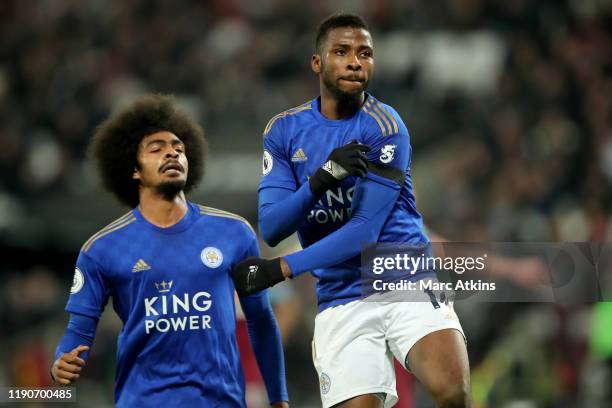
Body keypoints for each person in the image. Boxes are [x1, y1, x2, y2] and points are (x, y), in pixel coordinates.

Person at [232, 14, 469, 408]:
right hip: (340, 297)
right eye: (341, 52)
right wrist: (322, 179)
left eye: (365, 53)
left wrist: (283, 268)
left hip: (405, 278)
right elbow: (272, 226)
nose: (355, 61)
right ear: (317, 62)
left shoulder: (385, 124)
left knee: (452, 392)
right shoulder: (283, 132)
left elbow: (364, 232)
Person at [51, 95, 289, 408]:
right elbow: (79, 330)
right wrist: (61, 361)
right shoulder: (102, 249)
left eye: (178, 148)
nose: (172, 153)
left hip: (221, 401)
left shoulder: (234, 233)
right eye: (157, 148)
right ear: (134, 169)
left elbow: (260, 319)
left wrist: (279, 398)